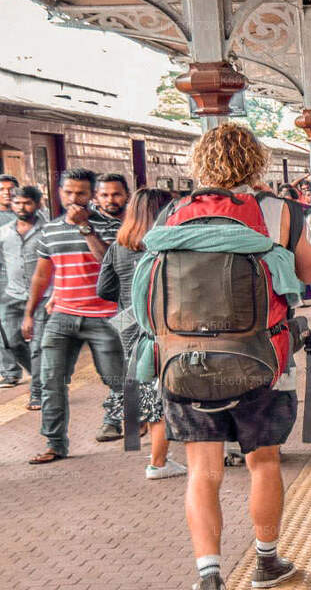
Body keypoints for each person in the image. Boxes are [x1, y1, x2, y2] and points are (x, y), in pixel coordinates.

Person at [159, 124, 311, 590]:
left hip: (186, 359)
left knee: (202, 471)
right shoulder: (280, 210)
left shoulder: (174, 211)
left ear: (198, 164)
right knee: (263, 461)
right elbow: (310, 270)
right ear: (257, 163)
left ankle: (209, 573)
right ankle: (266, 562)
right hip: (263, 357)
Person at [23, 169, 126, 462]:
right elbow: (42, 276)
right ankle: (55, 444)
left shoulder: (110, 227)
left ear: (91, 195)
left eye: (81, 193)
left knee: (118, 379)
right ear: (58, 193)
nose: (74, 199)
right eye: (68, 192)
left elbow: (110, 262)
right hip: (62, 316)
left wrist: (85, 229)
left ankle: (133, 426)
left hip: (105, 317)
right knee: (50, 381)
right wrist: (29, 314)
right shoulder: (50, 230)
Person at [96, 188, 186, 480]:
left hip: (127, 321)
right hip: (162, 324)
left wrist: (127, 301)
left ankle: (135, 433)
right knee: (167, 389)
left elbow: (103, 290)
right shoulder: (169, 246)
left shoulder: (118, 246)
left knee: (141, 382)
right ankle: (158, 461)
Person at [0, 186, 46, 400]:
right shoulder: (4, 231)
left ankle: (37, 390)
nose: (21, 207)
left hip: (43, 296)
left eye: (27, 202)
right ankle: (43, 376)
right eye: (17, 202)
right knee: (12, 341)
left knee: (37, 346)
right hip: (12, 296)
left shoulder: (48, 230)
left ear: (37, 204)